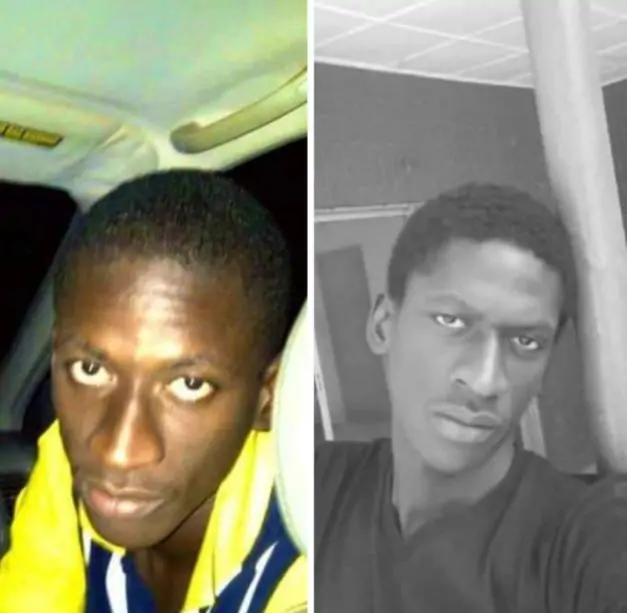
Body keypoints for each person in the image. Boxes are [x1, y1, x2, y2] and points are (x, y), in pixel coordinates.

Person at [0, 170, 307, 613]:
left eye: (190, 384)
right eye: (90, 369)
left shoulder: (308, 552)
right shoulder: (63, 464)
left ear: (268, 398)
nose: (118, 451)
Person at [315, 183, 627, 612]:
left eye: (526, 342)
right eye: (452, 321)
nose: (484, 380)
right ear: (383, 325)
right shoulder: (317, 485)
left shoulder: (580, 540)